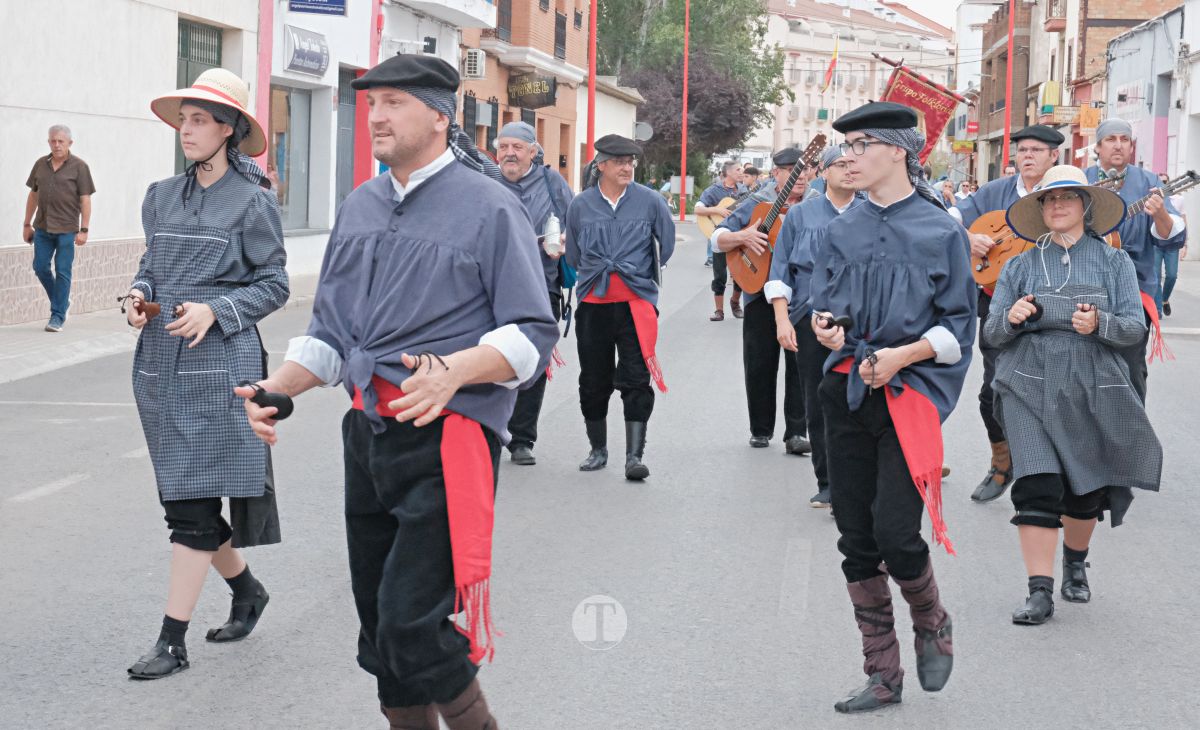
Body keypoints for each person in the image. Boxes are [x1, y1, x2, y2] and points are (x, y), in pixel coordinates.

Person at [242, 55, 559, 728]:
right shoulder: (361, 204)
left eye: (393, 102)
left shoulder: (490, 207)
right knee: (379, 631)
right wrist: (277, 389)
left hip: (448, 439)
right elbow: (331, 330)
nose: (377, 116)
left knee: (412, 623)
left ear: (439, 117)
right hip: (368, 437)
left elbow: (534, 333)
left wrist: (457, 369)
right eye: (372, 103)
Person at [123, 69, 289, 680]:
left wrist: (217, 309)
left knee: (190, 510)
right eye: (183, 119)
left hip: (223, 366)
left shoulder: (254, 200)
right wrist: (140, 294)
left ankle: (173, 640)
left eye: (199, 120)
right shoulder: (161, 194)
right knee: (184, 496)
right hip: (161, 362)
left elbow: (273, 284)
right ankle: (248, 591)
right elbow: (152, 264)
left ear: (229, 130)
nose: (186, 130)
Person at [811, 102, 975, 713]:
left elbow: (959, 328)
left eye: (858, 145)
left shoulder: (942, 231)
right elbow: (826, 306)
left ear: (897, 151)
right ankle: (883, 674)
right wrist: (828, 329)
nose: (846, 157)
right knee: (855, 538)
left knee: (896, 533)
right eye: (845, 147)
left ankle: (931, 616)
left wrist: (904, 355)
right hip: (846, 391)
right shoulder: (838, 229)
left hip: (908, 400)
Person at [985, 165, 1162, 625]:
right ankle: (1038, 591)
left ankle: (1075, 562)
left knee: (1084, 491)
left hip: (1091, 380)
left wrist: (1098, 323)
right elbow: (993, 332)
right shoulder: (1020, 266)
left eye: (1067, 197)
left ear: (1085, 206)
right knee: (1038, 484)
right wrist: (1014, 316)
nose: (1057, 205)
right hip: (1027, 379)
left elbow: (1132, 327)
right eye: (1048, 199)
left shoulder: (1113, 262)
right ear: (1040, 209)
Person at [949, 125, 1063, 503]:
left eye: (1036, 150)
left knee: (1053, 390)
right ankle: (1003, 461)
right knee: (993, 391)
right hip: (996, 302)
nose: (1027, 156)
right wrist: (968, 237)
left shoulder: (1063, 193)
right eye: (1022, 150)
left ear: (1054, 156)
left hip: (1054, 306)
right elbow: (950, 219)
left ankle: (1053, 473)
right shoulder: (994, 192)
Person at [567, 134, 675, 480]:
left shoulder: (650, 201)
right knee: (593, 379)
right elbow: (574, 256)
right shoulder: (581, 205)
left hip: (636, 304)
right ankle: (598, 450)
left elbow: (666, 247)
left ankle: (634, 456)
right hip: (593, 304)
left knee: (636, 378)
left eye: (631, 161)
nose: (627, 167)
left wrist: (636, 274)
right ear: (600, 166)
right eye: (619, 161)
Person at [766, 145, 862, 507]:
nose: (849, 170)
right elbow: (781, 272)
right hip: (809, 318)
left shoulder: (871, 214)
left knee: (856, 400)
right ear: (823, 170)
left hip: (859, 322)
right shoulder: (801, 215)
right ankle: (828, 481)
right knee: (819, 399)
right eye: (841, 164)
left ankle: (854, 481)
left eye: (855, 164)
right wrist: (781, 321)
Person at [713, 148, 812, 455]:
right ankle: (760, 429)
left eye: (806, 170)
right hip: (759, 291)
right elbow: (717, 238)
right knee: (759, 363)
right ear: (777, 173)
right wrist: (743, 237)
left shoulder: (818, 205)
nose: (801, 176)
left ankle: (796, 432)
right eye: (792, 170)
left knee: (801, 367)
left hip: (802, 297)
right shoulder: (755, 203)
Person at [1085, 118, 1186, 401]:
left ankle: (1131, 435)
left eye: (1124, 139)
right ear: (1098, 146)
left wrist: (1160, 214)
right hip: (1082, 286)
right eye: (1111, 139)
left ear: (1131, 146)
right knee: (1083, 366)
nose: (1118, 145)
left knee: (1131, 367)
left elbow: (1169, 236)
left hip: (1135, 288)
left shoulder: (1149, 182)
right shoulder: (1081, 179)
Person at [494, 121, 574, 466]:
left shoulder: (552, 183)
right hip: (491, 288)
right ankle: (491, 426)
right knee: (490, 357)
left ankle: (522, 438)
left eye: (517, 147)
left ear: (532, 152)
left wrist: (568, 239)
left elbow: (575, 222)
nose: (509, 154)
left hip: (543, 284)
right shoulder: (485, 182)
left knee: (533, 361)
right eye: (503, 147)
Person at [23, 124, 95, 332]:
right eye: (53, 141)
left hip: (67, 230)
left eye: (60, 141)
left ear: (69, 143)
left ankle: (57, 316)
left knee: (63, 271)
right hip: (43, 228)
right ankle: (62, 302)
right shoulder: (40, 165)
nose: (56, 145)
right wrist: (27, 223)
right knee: (40, 267)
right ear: (48, 142)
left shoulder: (80, 167)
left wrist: (84, 229)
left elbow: (85, 199)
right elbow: (33, 195)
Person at [696, 161, 745, 320]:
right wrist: (717, 210)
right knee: (720, 275)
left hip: (738, 237)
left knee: (740, 274)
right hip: (719, 237)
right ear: (728, 172)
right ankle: (719, 311)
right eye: (738, 169)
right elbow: (698, 209)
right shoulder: (713, 190)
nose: (741, 171)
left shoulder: (744, 191)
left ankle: (735, 303)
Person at [1155, 171, 1187, 316]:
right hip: (1156, 243)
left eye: (1165, 182)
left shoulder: (1178, 199)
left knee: (1172, 275)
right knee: (1155, 276)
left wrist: (1186, 244)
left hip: (1172, 244)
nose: (1163, 184)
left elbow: (1183, 221)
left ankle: (1164, 299)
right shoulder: (1153, 198)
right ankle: (1158, 309)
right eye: (1160, 182)